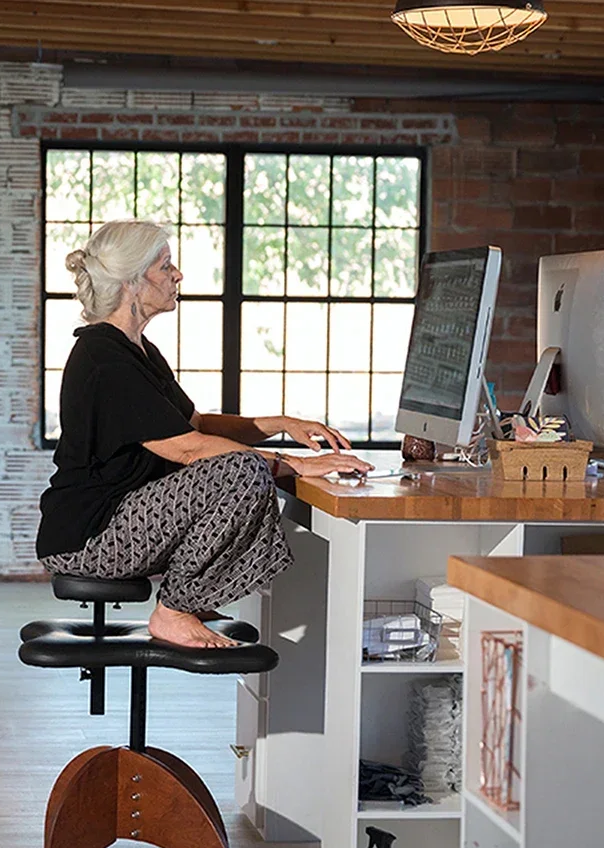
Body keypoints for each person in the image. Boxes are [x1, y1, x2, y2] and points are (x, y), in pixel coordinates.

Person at [36, 220, 372, 648]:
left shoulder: (137, 349)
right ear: (133, 283)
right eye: (165, 267)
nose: (177, 275)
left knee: (245, 466)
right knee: (243, 470)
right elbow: (189, 449)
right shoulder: (103, 358)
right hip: (90, 538)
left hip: (119, 521)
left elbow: (195, 425)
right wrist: (297, 466)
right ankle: (175, 610)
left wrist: (282, 424)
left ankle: (192, 593)